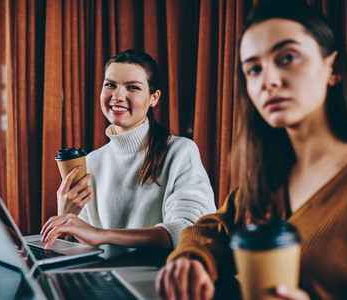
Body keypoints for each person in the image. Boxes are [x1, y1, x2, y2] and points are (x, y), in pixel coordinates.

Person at [156, 1, 347, 299]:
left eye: (287, 57)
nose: (267, 81)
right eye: (254, 69)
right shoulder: (268, 176)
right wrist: (191, 259)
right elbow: (212, 228)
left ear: (333, 68)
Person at [41, 49, 216, 250]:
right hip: (104, 276)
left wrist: (100, 234)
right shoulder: (92, 162)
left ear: (154, 98)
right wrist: (66, 216)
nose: (117, 96)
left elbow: (188, 231)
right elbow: (77, 248)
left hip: (157, 278)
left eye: (132, 87)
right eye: (110, 85)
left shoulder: (181, 151)